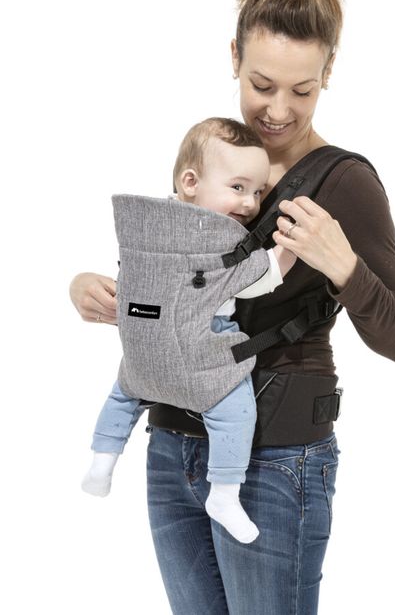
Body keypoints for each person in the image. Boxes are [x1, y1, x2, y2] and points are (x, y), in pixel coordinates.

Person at [69, 0, 395, 615]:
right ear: (233, 57)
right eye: (261, 85)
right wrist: (89, 285)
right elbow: (175, 284)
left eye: (302, 90)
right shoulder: (215, 156)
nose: (279, 110)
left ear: (328, 73)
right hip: (171, 445)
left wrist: (343, 265)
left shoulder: (345, 182)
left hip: (275, 460)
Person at [81, 117, 297, 545]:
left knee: (122, 395)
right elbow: (266, 275)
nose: (250, 203)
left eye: (258, 192)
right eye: (238, 187)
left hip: (144, 359)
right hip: (201, 362)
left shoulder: (147, 232)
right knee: (237, 411)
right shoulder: (221, 249)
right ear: (191, 181)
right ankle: (225, 493)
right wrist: (290, 244)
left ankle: (101, 462)